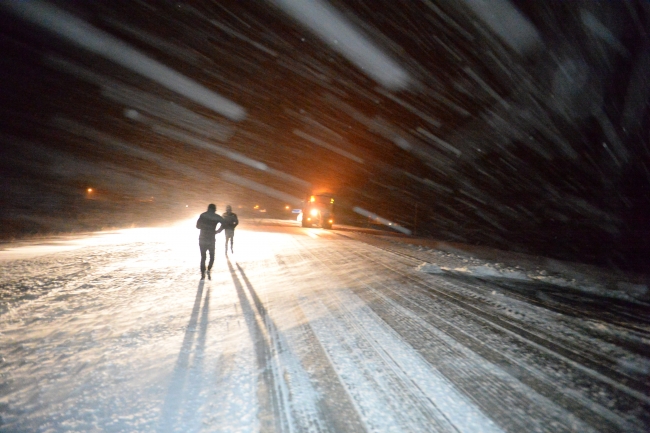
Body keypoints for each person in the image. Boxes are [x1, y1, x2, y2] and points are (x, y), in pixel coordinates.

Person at [196, 203, 224, 279]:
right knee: (212, 256)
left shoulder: (203, 215)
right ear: (215, 209)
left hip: (202, 239)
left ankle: (202, 273)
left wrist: (204, 227)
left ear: (208, 208)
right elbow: (224, 224)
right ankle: (209, 269)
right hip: (211, 239)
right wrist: (217, 231)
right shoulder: (216, 217)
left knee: (203, 257)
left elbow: (197, 226)